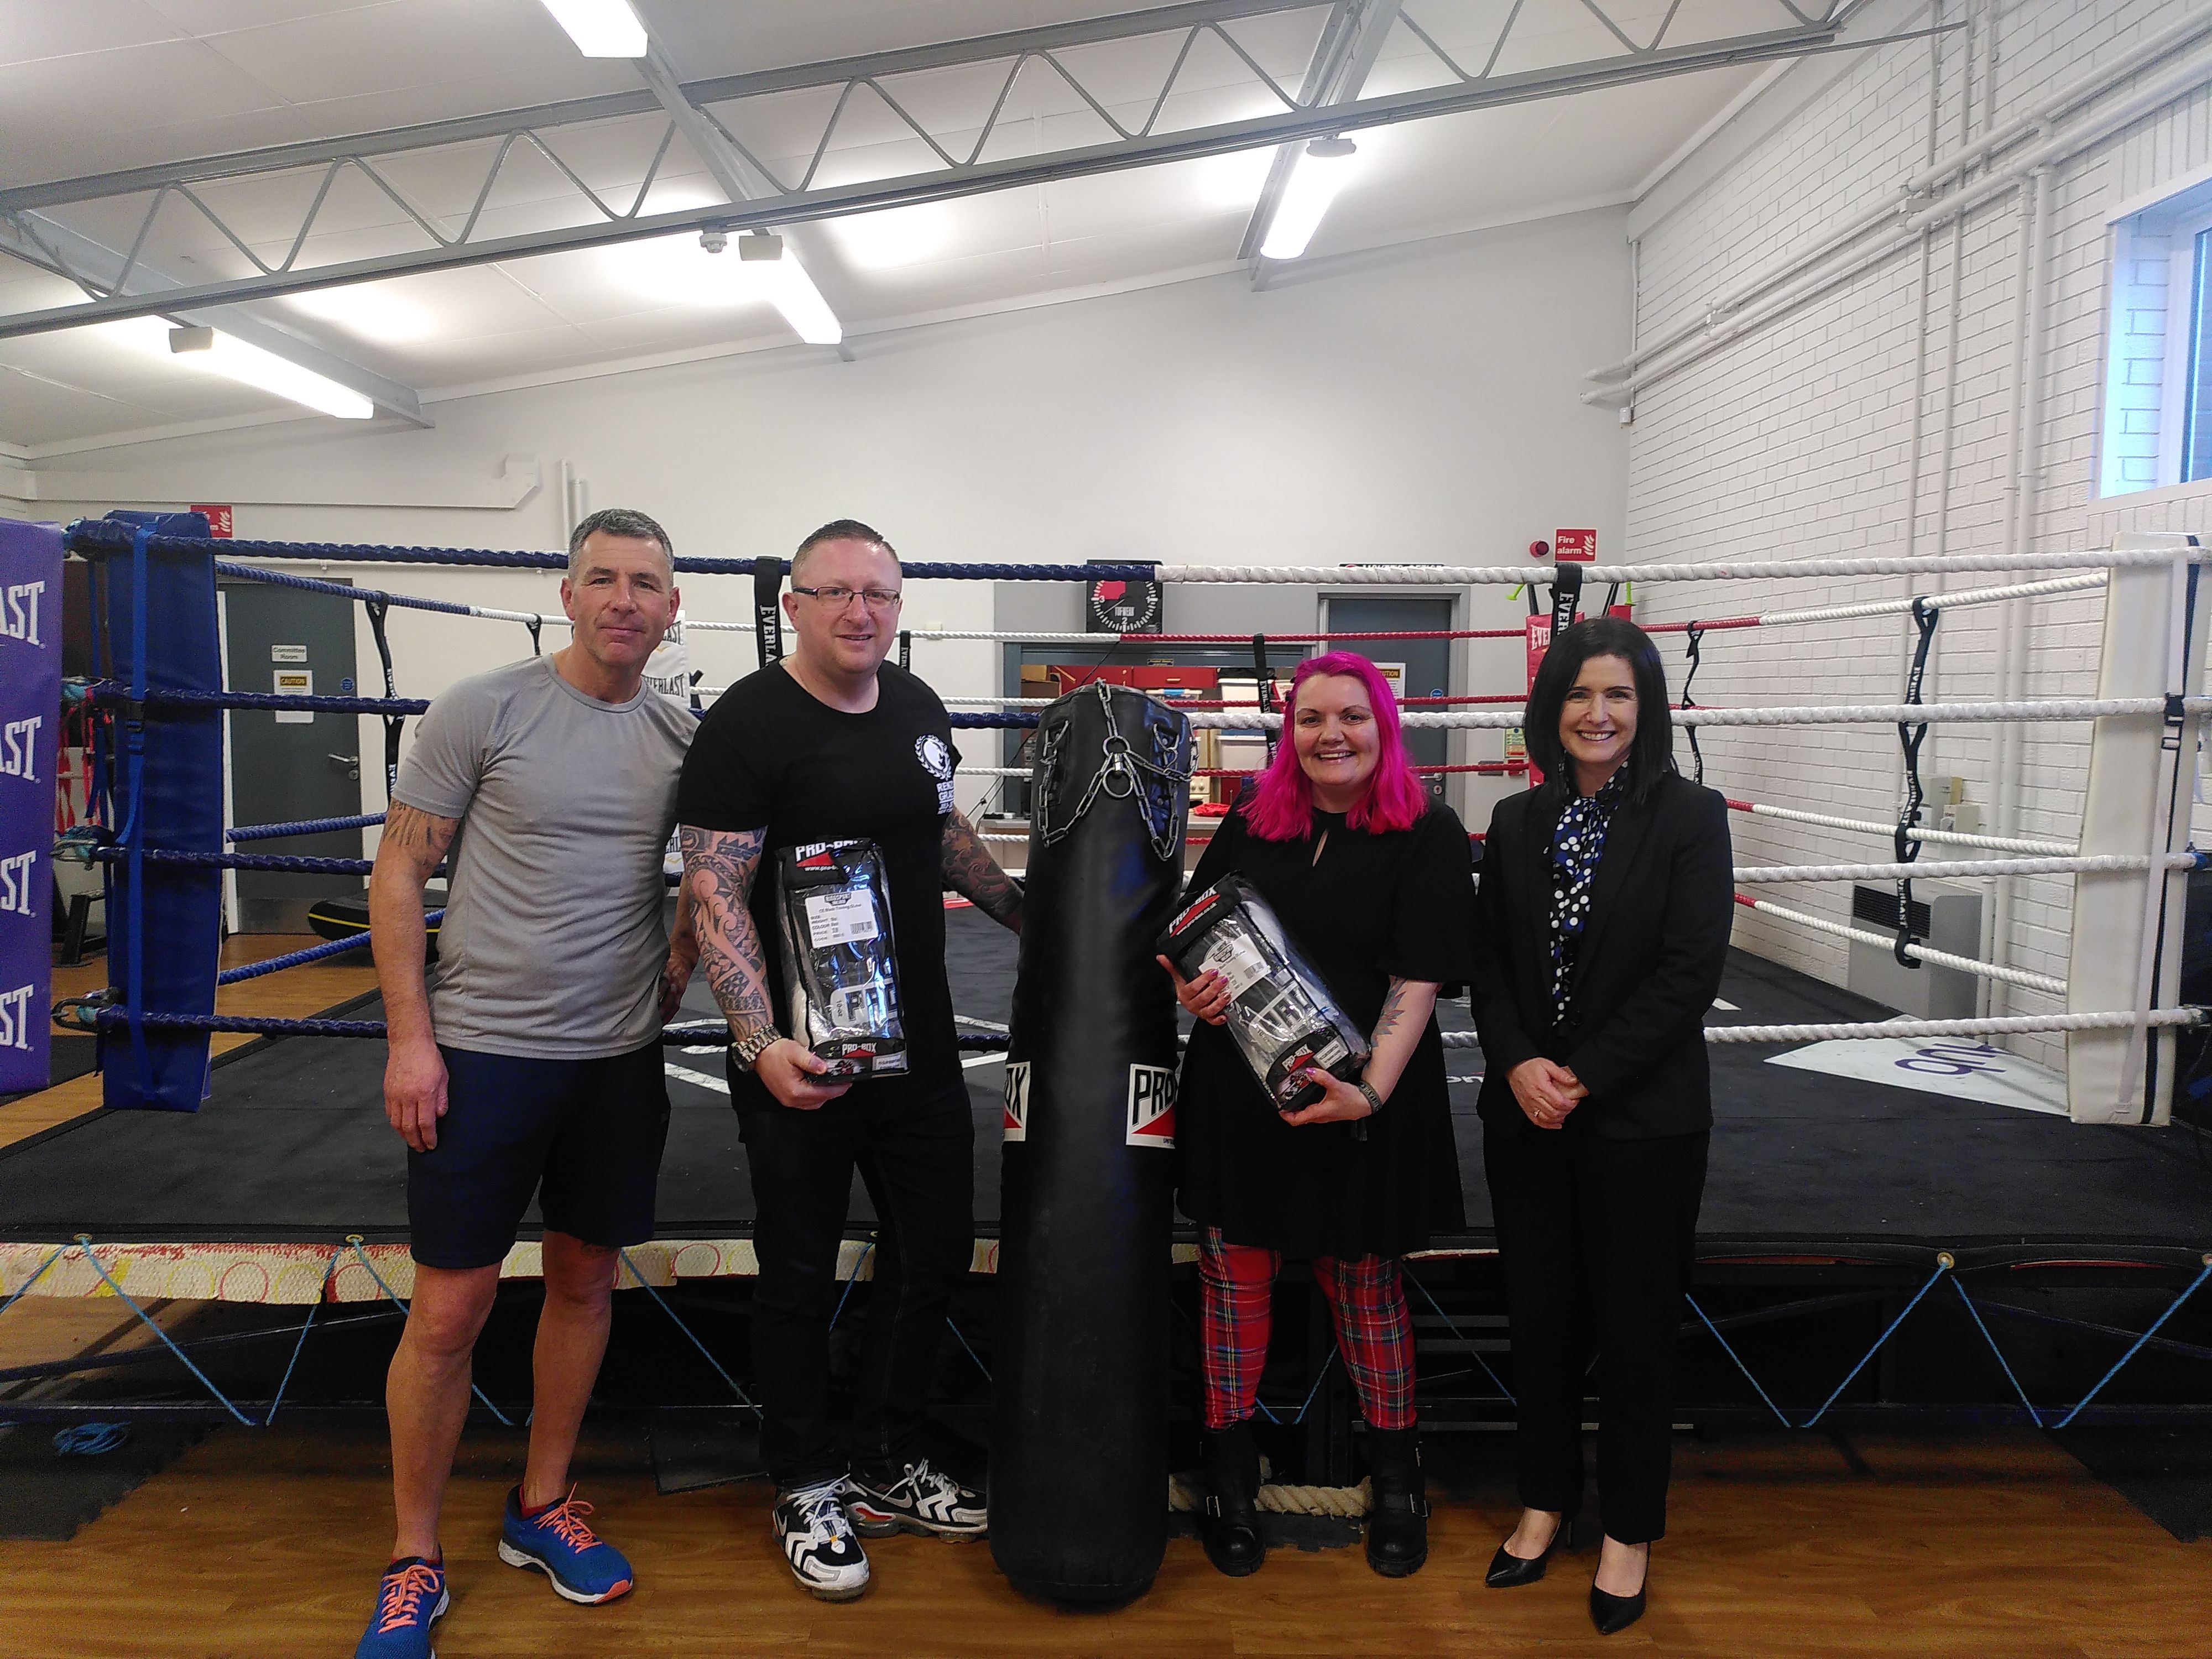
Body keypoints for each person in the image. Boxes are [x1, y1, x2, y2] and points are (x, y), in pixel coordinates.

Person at [355, 508, 698, 1659]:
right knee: (449, 1309)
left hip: (614, 1060)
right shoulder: (485, 708)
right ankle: (412, 1555)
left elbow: (711, 875)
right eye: (601, 578)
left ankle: (539, 1508)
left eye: (644, 583)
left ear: (671, 608)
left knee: (586, 1279)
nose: (622, 600)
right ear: (567, 594)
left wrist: (685, 968)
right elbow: (398, 871)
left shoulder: (680, 735)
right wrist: (412, 1039)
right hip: (485, 1053)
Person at [676, 519, 1024, 1602]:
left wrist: (1025, 912)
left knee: (931, 1257)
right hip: (799, 1058)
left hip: (912, 1043)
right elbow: (715, 887)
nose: (860, 612)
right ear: (794, 604)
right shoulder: (747, 724)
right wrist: (757, 1040)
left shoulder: (915, 707)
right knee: (795, 1271)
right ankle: (803, 1474)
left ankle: (888, 1449)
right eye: (835, 593)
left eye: (878, 594)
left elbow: (940, 827)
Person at [1158, 651, 1475, 1580]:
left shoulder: (1428, 830)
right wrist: (1194, 993)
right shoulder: (1257, 821)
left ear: (1384, 726)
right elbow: (1187, 933)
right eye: (1311, 719)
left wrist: (1366, 1093)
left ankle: (1397, 1478)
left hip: (1362, 1093)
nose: (1331, 735)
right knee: (1235, 1279)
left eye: (1352, 717)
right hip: (1242, 1091)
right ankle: (1229, 1480)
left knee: (1364, 1286)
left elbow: (1418, 985)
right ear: (1290, 733)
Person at [1469, 615, 1732, 1637]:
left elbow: (1688, 975)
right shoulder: (1516, 820)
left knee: (1632, 1329)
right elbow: (1487, 960)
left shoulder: (1691, 817)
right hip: (1526, 1114)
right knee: (1538, 1318)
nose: (1597, 712)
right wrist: (1520, 1063)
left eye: (1618, 694)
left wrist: (1578, 1076)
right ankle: (1544, 1500)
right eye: (1580, 694)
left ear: (1647, 709)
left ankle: (1629, 1528)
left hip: (1640, 1121)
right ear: (1553, 709)